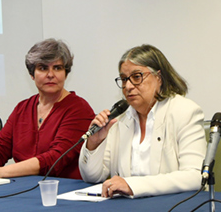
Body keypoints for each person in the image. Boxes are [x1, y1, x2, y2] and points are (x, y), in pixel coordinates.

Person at [0, 39, 94, 180]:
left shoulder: (79, 109)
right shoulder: (22, 108)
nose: (51, 74)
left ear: (66, 73)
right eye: (43, 68)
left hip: (64, 191)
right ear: (32, 74)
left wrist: (1, 171)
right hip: (23, 189)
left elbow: (55, 159)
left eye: (57, 68)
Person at [79, 44, 206, 198]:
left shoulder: (185, 111)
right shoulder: (119, 117)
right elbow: (92, 177)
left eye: (136, 77)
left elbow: (195, 176)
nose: (128, 86)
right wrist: (94, 144)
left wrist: (132, 185)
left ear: (158, 78)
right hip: (128, 208)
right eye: (124, 79)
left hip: (173, 207)